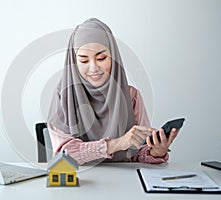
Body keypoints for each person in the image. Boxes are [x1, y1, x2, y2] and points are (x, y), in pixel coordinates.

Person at [47, 18, 178, 165]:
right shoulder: (63, 97)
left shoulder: (131, 97)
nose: (93, 68)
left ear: (113, 58)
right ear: (73, 61)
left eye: (101, 58)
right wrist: (118, 144)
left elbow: (138, 152)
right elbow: (64, 155)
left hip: (123, 183)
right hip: (80, 182)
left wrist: (156, 151)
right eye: (84, 61)